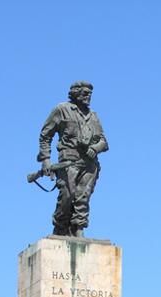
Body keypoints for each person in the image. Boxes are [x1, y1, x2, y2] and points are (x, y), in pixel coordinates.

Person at [37, 81, 109, 237]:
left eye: (90, 94)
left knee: (83, 197)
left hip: (89, 164)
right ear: (75, 93)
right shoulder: (62, 110)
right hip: (68, 162)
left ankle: (78, 229)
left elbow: (104, 141)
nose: (88, 96)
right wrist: (46, 160)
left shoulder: (93, 116)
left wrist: (95, 148)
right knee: (67, 197)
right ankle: (60, 227)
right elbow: (45, 135)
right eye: (84, 93)